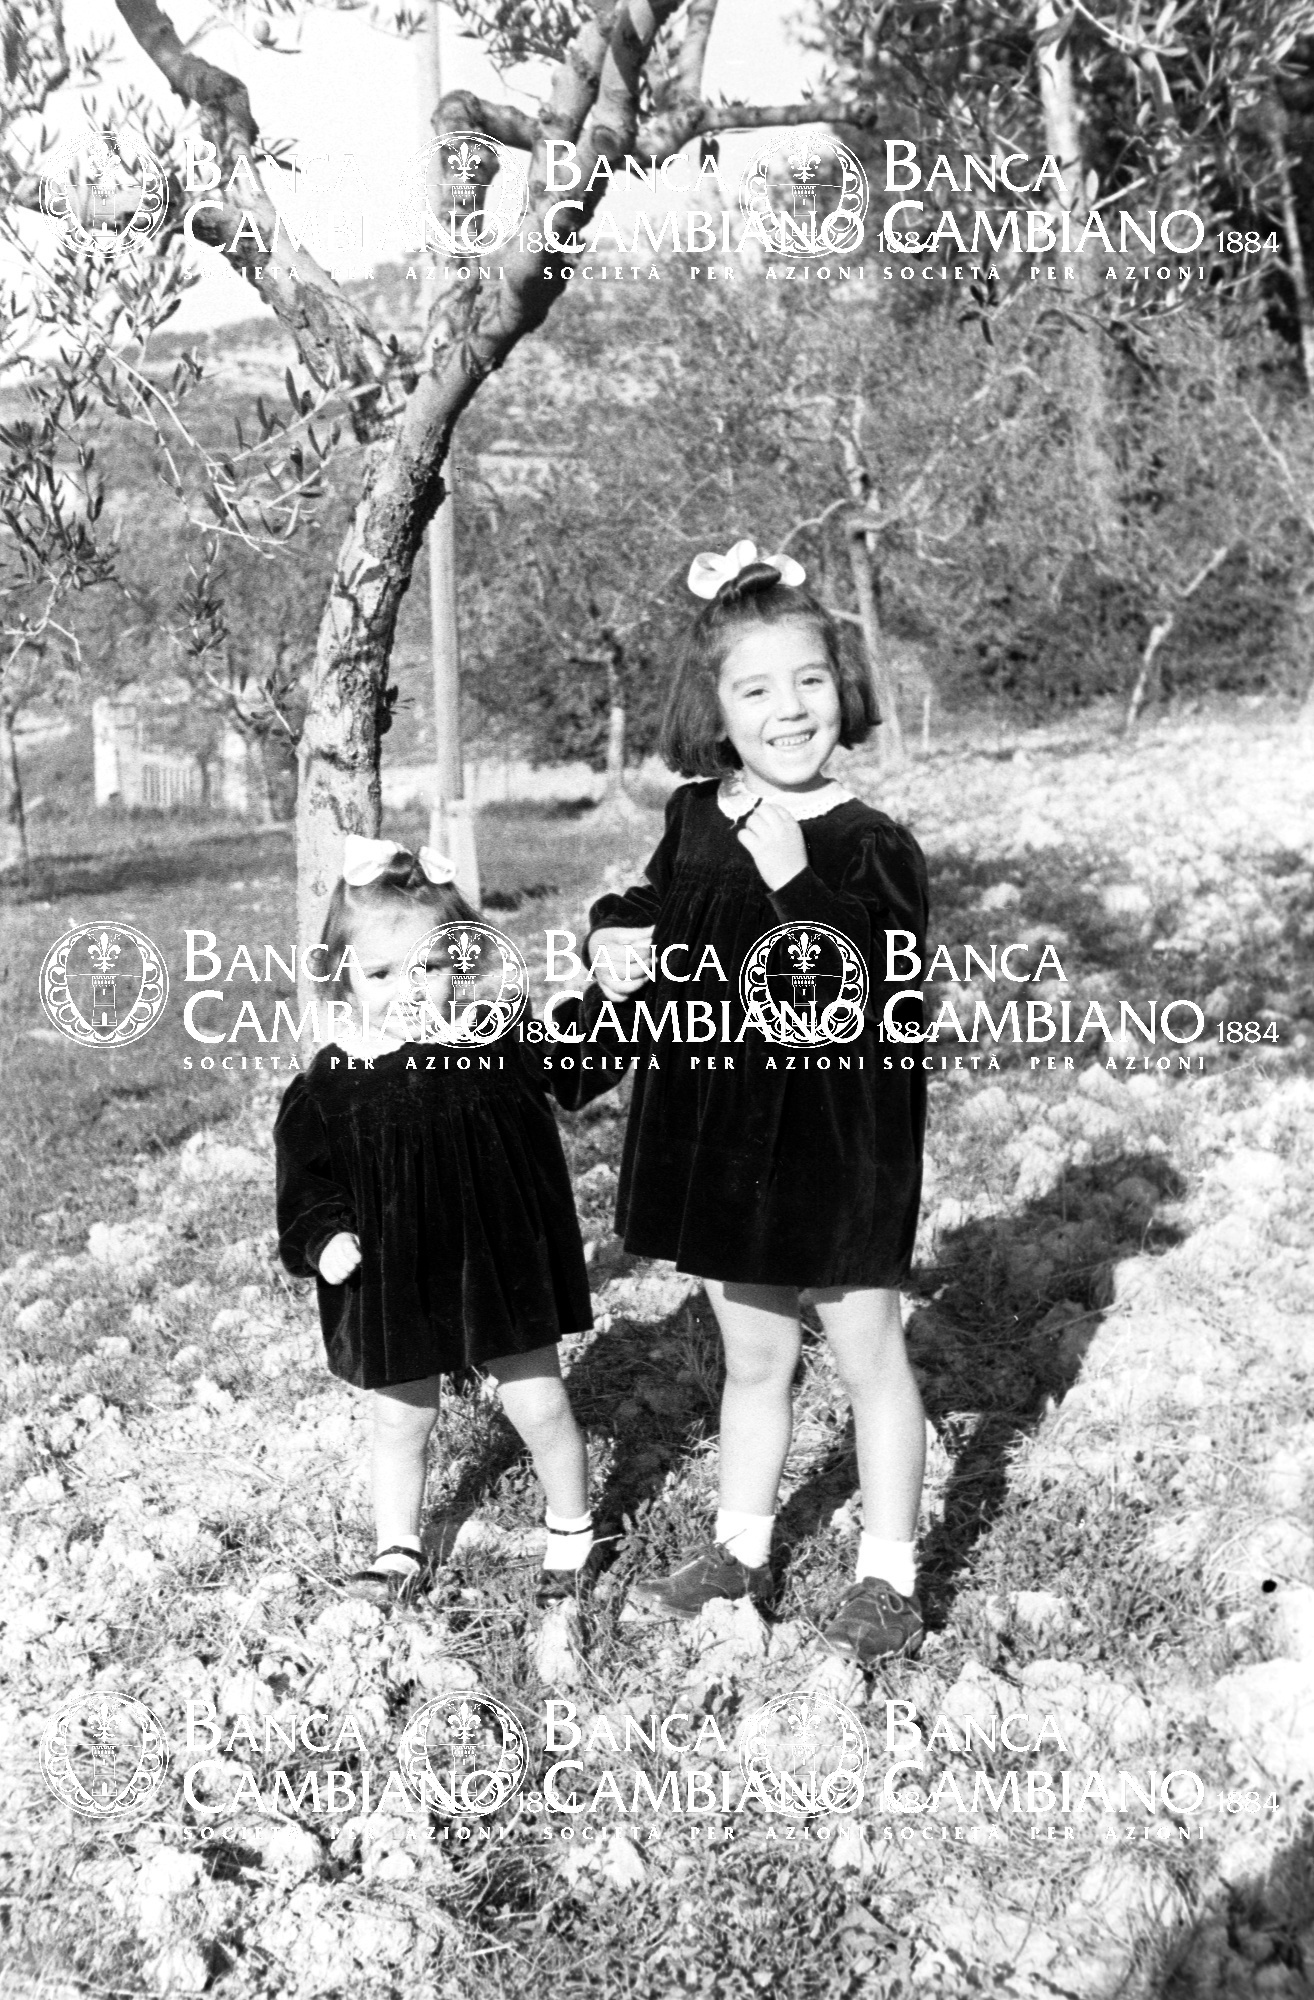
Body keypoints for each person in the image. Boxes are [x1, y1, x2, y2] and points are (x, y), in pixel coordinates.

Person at [587, 540, 931, 1667]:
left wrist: (796, 877)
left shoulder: (873, 843)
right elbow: (648, 899)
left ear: (844, 687)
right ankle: (741, 1548)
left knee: (870, 1356)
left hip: (837, 1140)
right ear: (716, 711)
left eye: (810, 681)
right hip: (726, 1133)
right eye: (756, 690)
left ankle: (889, 1573)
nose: (789, 710)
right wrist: (614, 937)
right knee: (753, 1357)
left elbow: (880, 982)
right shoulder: (698, 813)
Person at [274, 835, 615, 1610]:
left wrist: (613, 1000)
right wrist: (325, 1235)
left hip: (497, 1261)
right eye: (380, 974)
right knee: (402, 1418)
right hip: (394, 1272)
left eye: (425, 967)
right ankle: (397, 1548)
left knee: (539, 1402)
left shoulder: (497, 1037)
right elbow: (307, 1179)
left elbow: (579, 1067)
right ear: (341, 976)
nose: (406, 990)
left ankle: (572, 1530)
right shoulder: (333, 1082)